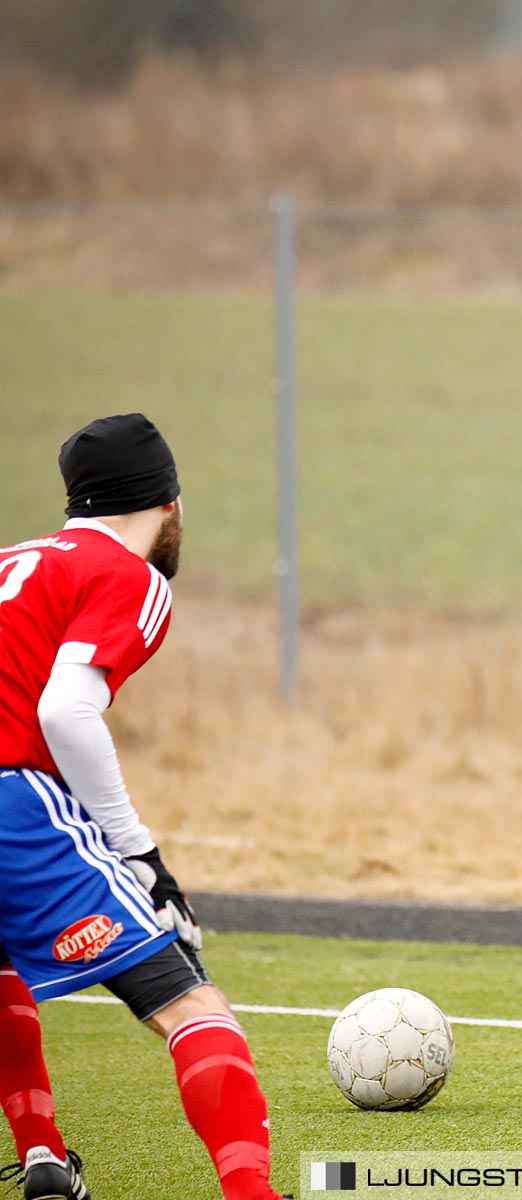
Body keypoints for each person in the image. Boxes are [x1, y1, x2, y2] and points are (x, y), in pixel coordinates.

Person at [0, 415, 288, 1200]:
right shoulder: (131, 578)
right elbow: (65, 713)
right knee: (187, 1001)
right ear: (169, 502)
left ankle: (43, 1156)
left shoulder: (11, 561)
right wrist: (141, 856)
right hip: (13, 805)